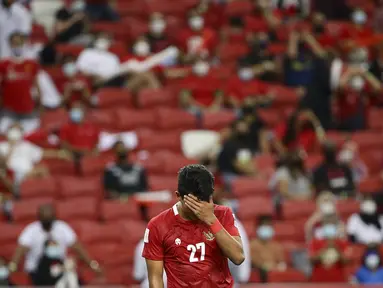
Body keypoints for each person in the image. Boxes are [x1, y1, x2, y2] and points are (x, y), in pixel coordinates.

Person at [142, 164, 245, 287]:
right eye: (194, 203)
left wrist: (212, 220)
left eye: (205, 200)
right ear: (178, 196)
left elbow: (238, 257)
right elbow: (155, 277)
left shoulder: (223, 214)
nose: (200, 208)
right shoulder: (158, 225)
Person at [8, 204, 102, 285]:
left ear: (54, 217)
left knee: (73, 277)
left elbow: (77, 247)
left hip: (58, 267)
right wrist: (12, 267)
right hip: (37, 270)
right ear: (39, 217)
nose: (48, 222)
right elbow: (20, 250)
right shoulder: (31, 230)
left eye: (49, 219)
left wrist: (93, 265)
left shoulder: (62, 227)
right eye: (45, 220)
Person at [0, 32, 41, 134]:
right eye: (14, 43)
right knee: (5, 132)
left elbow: (36, 86)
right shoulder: (3, 64)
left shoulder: (31, 64)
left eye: (19, 43)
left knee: (30, 133)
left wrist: (40, 104)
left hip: (28, 110)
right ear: (10, 44)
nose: (17, 46)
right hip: (9, 111)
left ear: (24, 43)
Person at [0, 124, 69, 182]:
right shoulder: (2, 146)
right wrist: (11, 147)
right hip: (11, 175)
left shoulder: (26, 145)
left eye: (17, 130)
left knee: (43, 170)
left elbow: (42, 153)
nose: (15, 133)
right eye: (13, 130)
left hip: (29, 174)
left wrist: (59, 154)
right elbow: (3, 165)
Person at [217, 120, 257, 186]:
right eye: (241, 127)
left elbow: (245, 161)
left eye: (245, 126)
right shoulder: (230, 144)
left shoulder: (245, 145)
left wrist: (254, 172)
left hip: (242, 174)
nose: (243, 128)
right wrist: (254, 174)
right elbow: (238, 164)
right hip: (229, 175)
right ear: (234, 129)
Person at [250, 215, 286, 282]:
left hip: (275, 278)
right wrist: (264, 266)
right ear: (258, 228)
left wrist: (274, 267)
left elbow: (281, 264)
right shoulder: (252, 245)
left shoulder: (276, 246)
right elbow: (253, 262)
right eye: (264, 225)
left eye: (268, 225)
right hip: (260, 277)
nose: (266, 228)